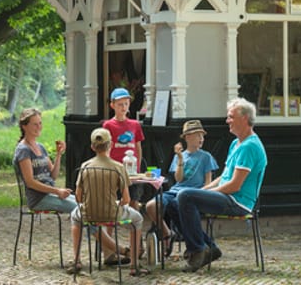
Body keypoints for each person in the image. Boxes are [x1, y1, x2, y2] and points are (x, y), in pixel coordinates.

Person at [176, 98, 267, 273]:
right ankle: (208, 248)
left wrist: (200, 194)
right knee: (177, 200)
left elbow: (234, 186)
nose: (227, 121)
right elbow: (224, 177)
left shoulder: (249, 146)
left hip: (238, 202)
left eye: (231, 117)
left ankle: (198, 250)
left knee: (184, 196)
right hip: (227, 196)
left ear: (245, 118)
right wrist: (202, 191)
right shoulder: (236, 143)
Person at [70, 128, 148, 276]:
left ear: (92, 147)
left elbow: (78, 197)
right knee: (137, 219)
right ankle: (134, 265)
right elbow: (127, 199)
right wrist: (116, 203)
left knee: (75, 217)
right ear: (110, 144)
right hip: (112, 214)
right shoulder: (118, 167)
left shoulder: (85, 166)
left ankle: (76, 260)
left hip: (88, 214)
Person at [143, 119, 218, 256]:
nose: (201, 138)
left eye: (202, 135)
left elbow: (208, 182)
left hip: (192, 194)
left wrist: (203, 195)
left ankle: (199, 247)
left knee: (178, 210)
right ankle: (167, 233)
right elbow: (178, 179)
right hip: (175, 191)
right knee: (150, 206)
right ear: (187, 137)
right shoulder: (180, 156)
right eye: (197, 135)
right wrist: (180, 159)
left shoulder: (206, 157)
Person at [13, 108, 76, 214]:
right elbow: (30, 183)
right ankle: (96, 231)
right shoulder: (23, 150)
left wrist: (59, 155)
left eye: (40, 123)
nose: (39, 127)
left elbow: (53, 175)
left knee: (84, 205)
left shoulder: (40, 147)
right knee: (79, 209)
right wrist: (57, 191)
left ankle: (96, 231)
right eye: (35, 124)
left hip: (50, 194)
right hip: (38, 199)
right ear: (24, 126)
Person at [102, 87, 146, 210]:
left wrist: (138, 165)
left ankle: (135, 226)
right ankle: (113, 224)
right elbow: (106, 147)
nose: (123, 107)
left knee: (134, 198)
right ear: (112, 105)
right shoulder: (108, 125)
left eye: (126, 104)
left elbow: (138, 147)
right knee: (114, 199)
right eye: (120, 104)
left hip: (131, 169)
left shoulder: (135, 124)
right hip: (115, 168)